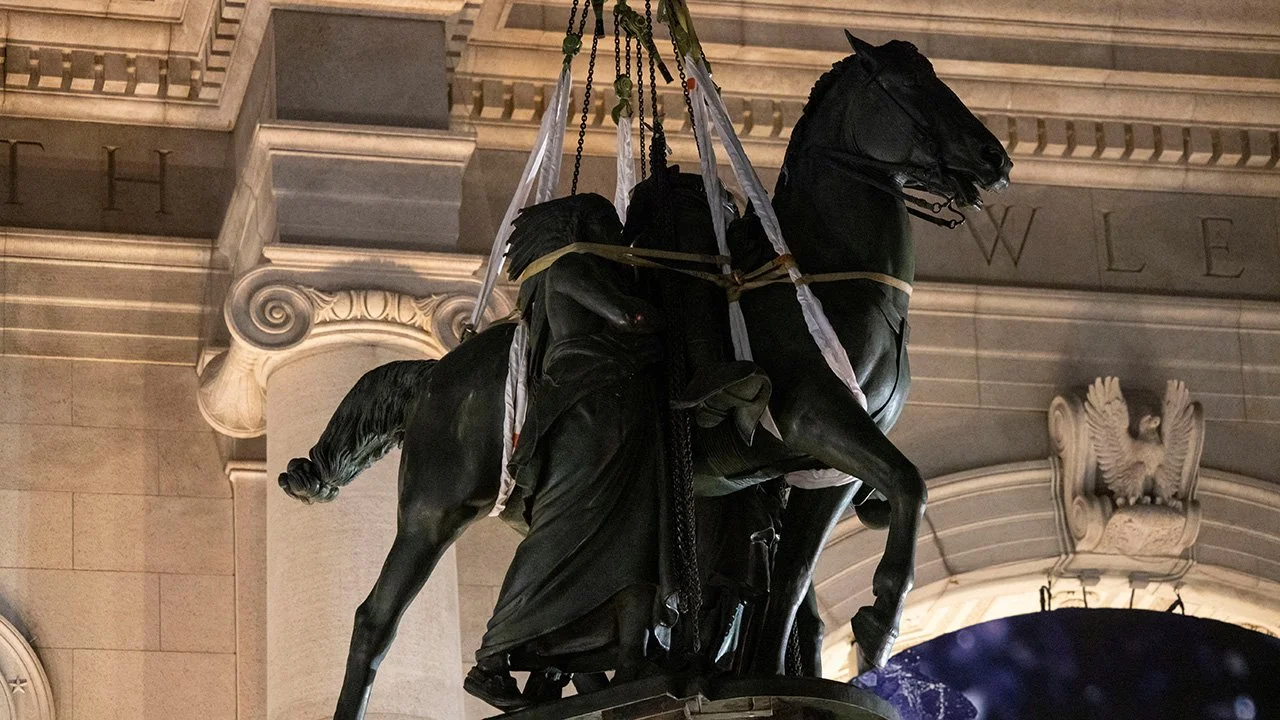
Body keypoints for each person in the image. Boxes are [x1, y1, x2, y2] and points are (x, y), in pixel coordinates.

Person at [464, 193, 668, 710]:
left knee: (637, 533)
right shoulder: (570, 268)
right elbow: (628, 317)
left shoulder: (591, 269)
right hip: (587, 410)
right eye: (608, 225)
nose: (619, 237)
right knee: (561, 531)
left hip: (622, 410)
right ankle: (492, 658)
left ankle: (631, 650)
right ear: (580, 229)